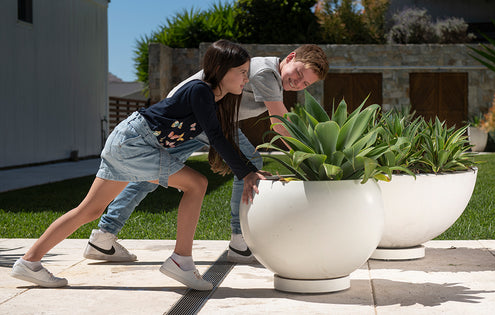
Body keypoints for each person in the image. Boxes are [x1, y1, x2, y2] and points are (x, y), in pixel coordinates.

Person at [10, 40, 266, 290]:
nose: (247, 78)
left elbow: (218, 135)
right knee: (197, 184)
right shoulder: (200, 90)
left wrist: (244, 169)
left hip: (127, 141)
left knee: (89, 211)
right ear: (221, 70)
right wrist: (247, 173)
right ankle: (181, 261)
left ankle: (29, 262)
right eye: (242, 72)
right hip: (135, 142)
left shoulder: (215, 99)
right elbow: (216, 137)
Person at [82, 44, 329, 263]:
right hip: (190, 117)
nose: (297, 82)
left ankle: (103, 238)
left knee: (150, 174)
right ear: (291, 56)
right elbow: (279, 121)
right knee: (250, 162)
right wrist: (310, 159)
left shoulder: (271, 75)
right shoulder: (267, 72)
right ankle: (239, 241)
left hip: (196, 121)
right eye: (298, 73)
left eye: (305, 83)